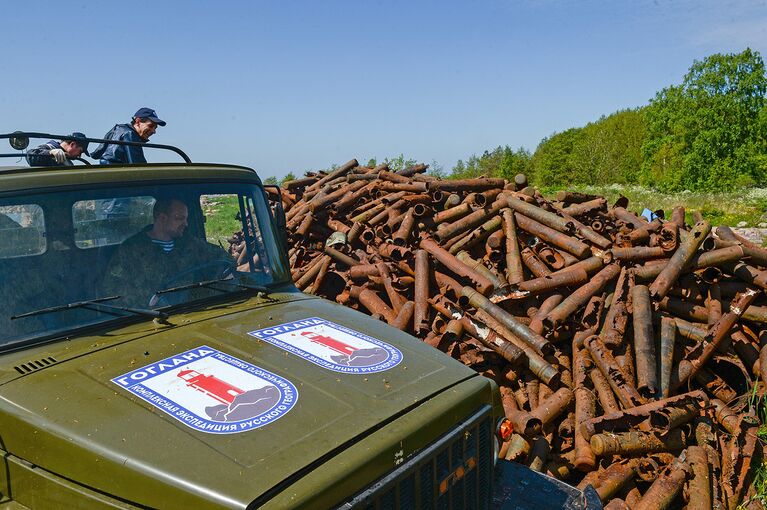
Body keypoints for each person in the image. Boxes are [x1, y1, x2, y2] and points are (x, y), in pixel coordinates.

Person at [102, 198, 232, 307]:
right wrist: (149, 301)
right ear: (162, 218)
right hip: (150, 319)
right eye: (179, 218)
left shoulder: (190, 244)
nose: (186, 224)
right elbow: (113, 290)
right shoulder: (130, 250)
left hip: (194, 310)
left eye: (186, 219)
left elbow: (225, 261)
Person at [90, 108, 166, 165]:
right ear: (138, 122)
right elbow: (139, 167)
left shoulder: (119, 129)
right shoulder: (130, 135)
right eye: (150, 126)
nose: (154, 131)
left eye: (155, 128)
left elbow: (99, 152)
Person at [26, 133, 90, 167]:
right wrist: (50, 153)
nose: (79, 156)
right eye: (80, 151)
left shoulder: (69, 163)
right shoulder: (49, 148)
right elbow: (30, 157)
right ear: (72, 144)